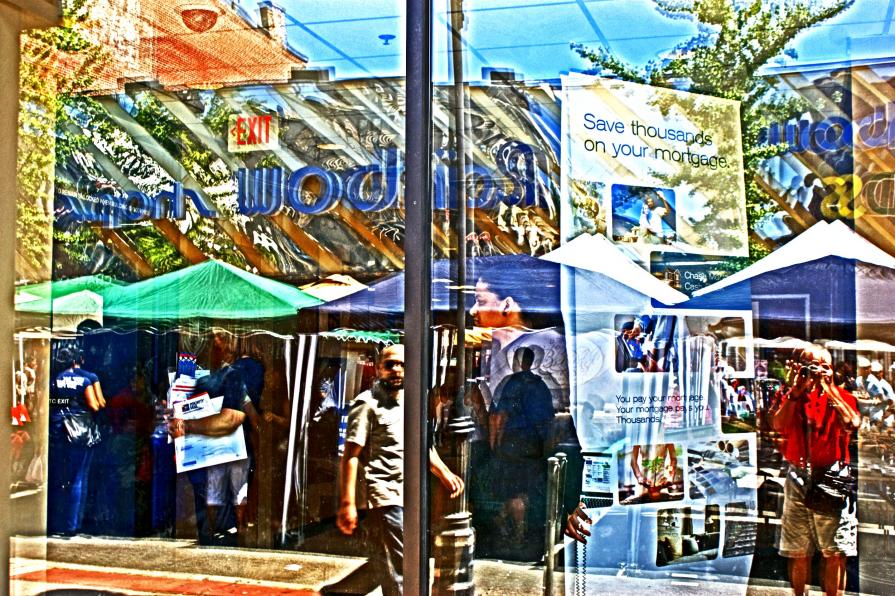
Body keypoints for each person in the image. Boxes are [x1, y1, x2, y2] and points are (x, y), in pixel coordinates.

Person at [336, 345, 463, 596]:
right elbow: (350, 455)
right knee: (402, 567)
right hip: (384, 496)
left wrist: (445, 474)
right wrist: (347, 504)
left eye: (402, 364)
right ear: (378, 368)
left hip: (408, 495)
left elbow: (421, 446)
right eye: (390, 364)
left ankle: (336, 593)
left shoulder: (411, 401)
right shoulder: (366, 404)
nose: (396, 369)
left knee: (388, 561)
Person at [771, 344, 860, 596]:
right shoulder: (790, 395)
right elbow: (778, 425)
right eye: (810, 366)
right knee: (798, 551)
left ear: (831, 370)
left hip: (831, 476)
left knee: (835, 552)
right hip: (798, 475)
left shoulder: (842, 397)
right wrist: (796, 391)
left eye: (822, 367)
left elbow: (851, 422)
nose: (815, 372)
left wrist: (828, 388)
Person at [168, 339, 251, 546]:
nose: (210, 351)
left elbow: (232, 419)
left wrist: (186, 425)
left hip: (226, 454)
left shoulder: (233, 376)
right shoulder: (206, 380)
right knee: (215, 501)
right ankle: (214, 537)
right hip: (209, 457)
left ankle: (227, 537)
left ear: (226, 350)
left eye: (215, 347)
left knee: (229, 501)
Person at [48, 345, 106, 537]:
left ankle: (57, 521)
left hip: (59, 430)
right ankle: (73, 524)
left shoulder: (56, 379)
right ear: (77, 359)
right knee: (79, 477)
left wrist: (66, 404)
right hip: (80, 432)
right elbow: (95, 405)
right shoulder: (86, 379)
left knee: (60, 476)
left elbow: (50, 402)